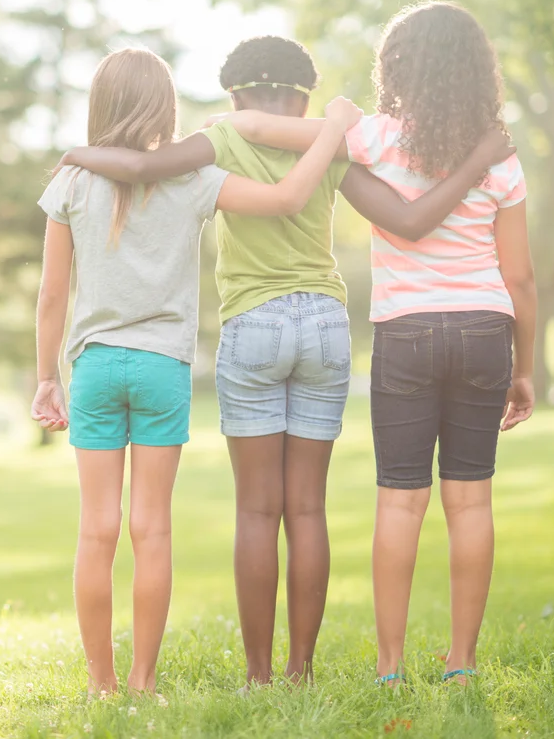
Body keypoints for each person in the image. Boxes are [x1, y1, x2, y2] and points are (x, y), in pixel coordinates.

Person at [58, 36, 514, 686]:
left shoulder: (220, 140)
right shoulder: (327, 144)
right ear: (302, 96)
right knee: (307, 508)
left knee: (256, 510)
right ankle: (302, 667)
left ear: (236, 96)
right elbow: (407, 214)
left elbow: (138, 166)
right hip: (325, 325)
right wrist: (466, 161)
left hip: (254, 323)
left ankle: (259, 674)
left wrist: (79, 153)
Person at [222, 2, 538, 686]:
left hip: (408, 331)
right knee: (471, 502)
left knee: (400, 499)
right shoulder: (500, 157)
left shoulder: (372, 138)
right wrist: (527, 369)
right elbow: (520, 275)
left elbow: (259, 127)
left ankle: (390, 666)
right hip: (486, 327)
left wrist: (263, 118)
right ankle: (461, 663)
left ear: (394, 69)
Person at [31, 46, 361, 696]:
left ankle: (101, 682)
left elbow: (51, 294)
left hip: (95, 367)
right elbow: (288, 197)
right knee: (151, 527)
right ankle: (144, 680)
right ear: (166, 108)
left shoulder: (70, 183)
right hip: (162, 369)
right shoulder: (194, 181)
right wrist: (336, 128)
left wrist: (46, 377)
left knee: (96, 529)